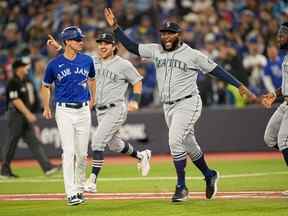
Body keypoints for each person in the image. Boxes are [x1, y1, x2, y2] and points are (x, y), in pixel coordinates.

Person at [104, 8, 258, 202]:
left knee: (175, 140)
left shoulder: (192, 54)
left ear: (178, 35)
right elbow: (133, 47)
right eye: (164, 34)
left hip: (188, 102)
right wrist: (116, 28)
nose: (166, 37)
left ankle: (181, 187)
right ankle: (210, 175)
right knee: (189, 145)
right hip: (168, 107)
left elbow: (216, 70)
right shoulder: (155, 50)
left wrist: (240, 85)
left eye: (170, 33)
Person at [46, 33, 152, 194]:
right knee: (114, 144)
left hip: (116, 108)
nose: (102, 46)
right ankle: (141, 156)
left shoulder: (123, 64)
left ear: (114, 46)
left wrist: (135, 100)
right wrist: (61, 48)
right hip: (100, 110)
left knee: (97, 142)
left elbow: (137, 82)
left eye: (107, 43)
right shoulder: (92, 60)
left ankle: (92, 180)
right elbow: (74, 59)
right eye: (100, 43)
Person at [40, 26, 96, 206]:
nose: (81, 42)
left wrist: (93, 98)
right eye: (77, 40)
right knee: (69, 152)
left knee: (82, 154)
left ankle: (79, 189)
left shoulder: (87, 60)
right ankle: (71, 193)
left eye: (81, 39)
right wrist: (46, 106)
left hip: (83, 110)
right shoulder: (53, 64)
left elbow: (92, 79)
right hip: (64, 110)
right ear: (67, 42)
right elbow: (46, 85)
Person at [1, 57, 60, 178]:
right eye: (23, 66)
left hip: (25, 116)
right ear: (18, 69)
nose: (26, 68)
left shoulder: (27, 80)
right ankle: (4, 170)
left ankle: (47, 167)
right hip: (16, 115)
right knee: (12, 142)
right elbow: (15, 100)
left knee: (34, 142)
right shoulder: (13, 82)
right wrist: (27, 113)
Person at [260, 22, 288, 196]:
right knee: (270, 138)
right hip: (285, 103)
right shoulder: (286, 57)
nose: (279, 38)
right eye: (278, 35)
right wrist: (274, 95)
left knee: (284, 141)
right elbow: (285, 87)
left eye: (282, 35)